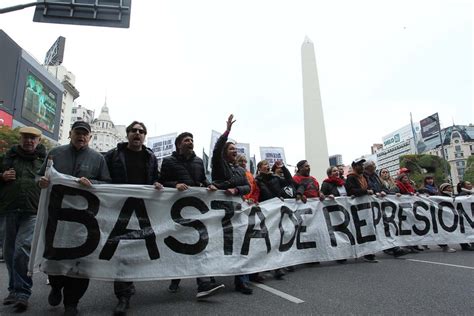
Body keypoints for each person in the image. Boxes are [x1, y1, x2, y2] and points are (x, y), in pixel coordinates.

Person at [39, 121, 111, 316]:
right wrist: (42, 181)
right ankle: (55, 285)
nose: (81, 137)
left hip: (84, 222)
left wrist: (92, 183)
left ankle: (72, 302)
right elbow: (40, 177)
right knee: (55, 258)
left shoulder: (98, 159)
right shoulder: (55, 153)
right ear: (70, 133)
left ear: (90, 137)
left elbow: (107, 185)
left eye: (85, 134)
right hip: (57, 219)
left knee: (82, 262)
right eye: (78, 133)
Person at [104, 121, 163, 315]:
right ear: (127, 134)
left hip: (141, 211)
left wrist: (157, 184)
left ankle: (127, 287)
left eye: (141, 131)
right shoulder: (113, 155)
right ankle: (123, 296)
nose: (137, 134)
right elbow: (103, 179)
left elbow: (156, 178)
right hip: (118, 210)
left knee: (135, 251)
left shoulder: (150, 157)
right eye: (134, 131)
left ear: (144, 136)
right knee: (121, 252)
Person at [160, 131, 225, 299]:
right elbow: (160, 181)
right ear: (178, 144)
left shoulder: (198, 161)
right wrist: (175, 185)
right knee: (180, 247)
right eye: (186, 140)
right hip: (176, 212)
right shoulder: (168, 162)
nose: (190, 142)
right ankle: (175, 278)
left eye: (192, 139)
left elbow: (202, 180)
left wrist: (208, 185)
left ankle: (203, 284)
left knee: (199, 244)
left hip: (196, 211)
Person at [0, 127, 46, 312]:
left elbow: (53, 181)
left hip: (32, 211)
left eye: (33, 138)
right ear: (20, 138)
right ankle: (14, 290)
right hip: (8, 209)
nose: (29, 141)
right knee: (9, 252)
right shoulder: (6, 158)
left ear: (38, 141)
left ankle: (23, 293)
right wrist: (1, 176)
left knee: (21, 249)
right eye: (26, 137)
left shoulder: (45, 161)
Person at [211, 114, 252, 295]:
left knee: (240, 244)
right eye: (231, 149)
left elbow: (247, 186)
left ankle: (242, 281)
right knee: (217, 244)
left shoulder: (240, 169)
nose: (235, 151)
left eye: (236, 149)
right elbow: (217, 148)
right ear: (224, 153)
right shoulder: (219, 164)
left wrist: (235, 191)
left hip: (236, 211)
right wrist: (227, 131)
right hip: (219, 212)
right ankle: (210, 278)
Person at [255, 159, 294, 278]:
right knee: (264, 240)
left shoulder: (275, 178)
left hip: (276, 212)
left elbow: (289, 181)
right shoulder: (257, 180)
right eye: (264, 165)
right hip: (265, 211)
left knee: (276, 238)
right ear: (259, 168)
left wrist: (283, 168)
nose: (267, 166)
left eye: (268, 164)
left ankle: (277, 267)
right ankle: (261, 268)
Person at [344, 158, 378, 263]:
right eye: (360, 165)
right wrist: (366, 191)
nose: (362, 167)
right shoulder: (350, 178)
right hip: (356, 209)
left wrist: (371, 191)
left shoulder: (364, 177)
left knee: (368, 230)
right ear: (354, 167)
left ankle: (368, 251)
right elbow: (351, 191)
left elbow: (372, 188)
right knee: (358, 230)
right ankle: (362, 251)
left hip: (366, 208)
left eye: (363, 165)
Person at [436, 183, 457, 253]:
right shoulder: (441, 197)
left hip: (450, 216)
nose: (450, 189)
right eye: (448, 188)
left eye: (450, 188)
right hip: (443, 216)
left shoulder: (451, 195)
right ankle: (444, 246)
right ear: (443, 189)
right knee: (442, 231)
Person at [456, 181, 474, 251]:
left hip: (470, 214)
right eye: (468, 184)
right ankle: (465, 245)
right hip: (466, 215)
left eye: (470, 184)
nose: (470, 185)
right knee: (468, 229)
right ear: (463, 187)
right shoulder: (463, 194)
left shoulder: (469, 193)